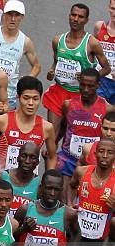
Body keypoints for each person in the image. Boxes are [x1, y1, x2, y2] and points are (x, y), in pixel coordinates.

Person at [44, 3, 110, 128]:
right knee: (51, 133)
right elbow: (55, 63)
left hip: (79, 95)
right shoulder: (58, 40)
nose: (76, 19)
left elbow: (107, 69)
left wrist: (88, 78)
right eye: (73, 15)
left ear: (86, 20)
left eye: (80, 17)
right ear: (69, 16)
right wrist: (51, 71)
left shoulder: (92, 43)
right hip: (58, 92)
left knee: (69, 134)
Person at [0, 76, 57, 178]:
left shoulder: (46, 127)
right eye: (26, 98)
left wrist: (47, 179)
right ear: (18, 97)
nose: (31, 103)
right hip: (2, 187)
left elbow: (52, 157)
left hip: (29, 188)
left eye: (35, 99)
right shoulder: (3, 121)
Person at [57, 68, 109, 203]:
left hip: (92, 163)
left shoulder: (106, 108)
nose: (86, 89)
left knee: (87, 203)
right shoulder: (69, 104)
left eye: (90, 86)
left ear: (98, 86)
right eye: (83, 85)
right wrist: (53, 144)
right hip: (69, 159)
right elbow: (63, 126)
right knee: (65, 203)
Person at [0, 0, 41, 111]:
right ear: (4, 15)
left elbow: (36, 66)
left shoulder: (25, 42)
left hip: (9, 96)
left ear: (22, 17)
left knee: (4, 127)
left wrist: (25, 82)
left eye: (17, 15)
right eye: (9, 14)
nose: (13, 19)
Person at [94, 0, 115, 105]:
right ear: (108, 8)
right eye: (113, 9)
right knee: (97, 114)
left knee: (111, 120)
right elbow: (91, 49)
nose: (114, 13)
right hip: (101, 80)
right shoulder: (99, 26)